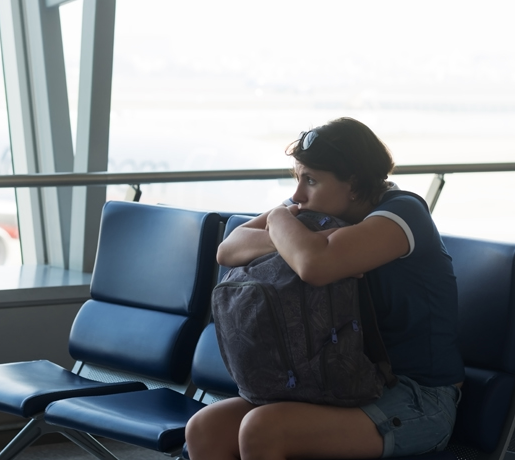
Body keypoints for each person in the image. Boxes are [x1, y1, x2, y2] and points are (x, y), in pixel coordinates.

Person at [185, 117, 464, 460]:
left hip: (418, 397)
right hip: (342, 378)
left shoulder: (403, 214)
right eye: (298, 178)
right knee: (205, 428)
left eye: (311, 180)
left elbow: (314, 266)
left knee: (264, 429)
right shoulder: (316, 210)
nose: (298, 195)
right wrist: (297, 239)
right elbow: (229, 248)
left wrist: (281, 224)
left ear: (354, 185)